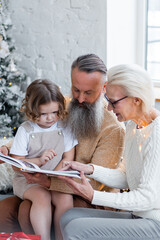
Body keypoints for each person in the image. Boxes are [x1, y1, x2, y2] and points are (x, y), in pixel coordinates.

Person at [0, 54, 125, 236]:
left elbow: (96, 182)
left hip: (84, 193)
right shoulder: (61, 105)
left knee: (28, 210)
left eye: (88, 92)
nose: (80, 99)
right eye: (76, 89)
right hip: (44, 179)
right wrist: (8, 148)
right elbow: (35, 129)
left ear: (104, 87)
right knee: (4, 209)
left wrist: (50, 182)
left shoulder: (113, 129)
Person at [59, 64, 160, 240]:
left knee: (77, 228)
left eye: (113, 102)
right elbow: (125, 176)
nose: (108, 108)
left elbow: (148, 198)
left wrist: (93, 196)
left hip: (155, 222)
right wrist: (89, 169)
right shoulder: (132, 127)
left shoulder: (156, 134)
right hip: (139, 216)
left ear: (137, 99)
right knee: (69, 217)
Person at [10, 79, 78, 240]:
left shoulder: (64, 128)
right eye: (44, 114)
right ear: (33, 111)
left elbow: (68, 157)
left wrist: (52, 176)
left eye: (54, 112)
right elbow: (16, 164)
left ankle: (62, 238)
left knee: (65, 198)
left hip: (54, 176)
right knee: (42, 197)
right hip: (28, 180)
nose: (50, 118)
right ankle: (44, 238)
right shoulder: (25, 130)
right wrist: (39, 161)